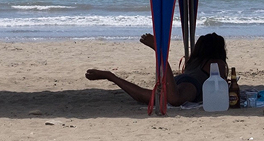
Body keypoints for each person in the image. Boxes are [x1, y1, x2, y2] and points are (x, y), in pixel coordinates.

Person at [86, 32, 228, 106]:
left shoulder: (193, 60)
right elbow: (222, 88)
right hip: (192, 85)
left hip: (179, 80)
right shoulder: (218, 63)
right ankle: (159, 52)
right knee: (175, 99)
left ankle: (111, 76)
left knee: (146, 97)